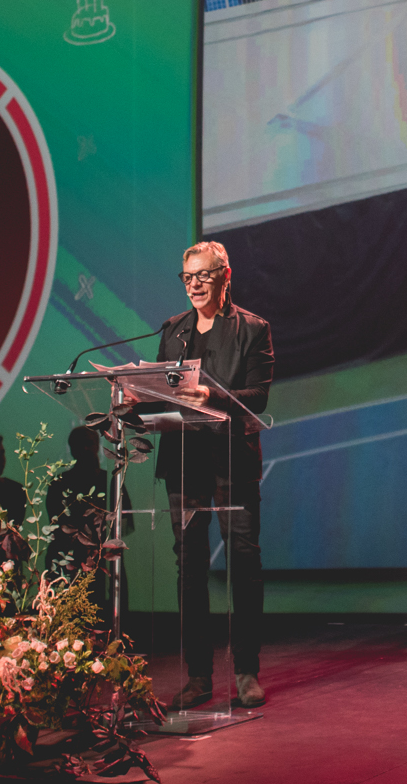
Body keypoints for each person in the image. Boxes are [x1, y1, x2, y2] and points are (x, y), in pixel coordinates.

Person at [155, 240, 273, 713]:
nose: (195, 285)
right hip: (184, 462)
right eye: (188, 277)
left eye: (203, 275)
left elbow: (258, 397)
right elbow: (162, 390)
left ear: (225, 275)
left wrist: (210, 395)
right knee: (189, 570)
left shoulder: (252, 329)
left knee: (243, 564)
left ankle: (245, 670)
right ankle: (198, 675)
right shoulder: (173, 331)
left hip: (231, 462)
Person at [45, 425, 131, 620]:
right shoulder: (59, 483)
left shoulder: (111, 481)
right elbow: (56, 522)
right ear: (72, 448)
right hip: (68, 558)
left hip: (104, 556)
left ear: (97, 446)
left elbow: (124, 522)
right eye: (79, 445)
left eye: (89, 443)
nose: (84, 449)